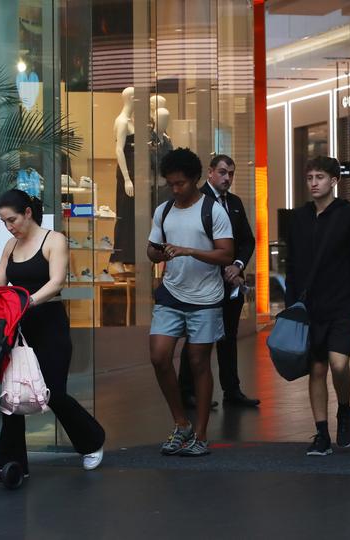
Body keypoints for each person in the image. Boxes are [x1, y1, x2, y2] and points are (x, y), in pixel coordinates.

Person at [0, 189, 106, 475]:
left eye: (12, 220)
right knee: (13, 394)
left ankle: (92, 441)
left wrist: (26, 302)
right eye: (4, 222)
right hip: (18, 326)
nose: (9, 227)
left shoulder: (54, 240)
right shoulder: (10, 246)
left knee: (53, 392)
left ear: (28, 213)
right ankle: (11, 464)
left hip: (49, 323)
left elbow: (56, 283)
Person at [147, 148, 234, 457]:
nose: (175, 188)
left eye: (181, 183)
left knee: (198, 363)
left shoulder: (213, 211)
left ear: (195, 179)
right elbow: (151, 250)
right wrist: (159, 253)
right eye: (171, 183)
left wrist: (189, 251)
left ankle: (200, 433)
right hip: (171, 292)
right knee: (159, 357)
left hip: (206, 298)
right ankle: (180, 422)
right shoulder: (164, 211)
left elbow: (226, 254)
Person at [285, 156, 350, 456]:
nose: (314, 183)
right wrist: (291, 306)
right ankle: (321, 434)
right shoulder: (299, 218)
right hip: (310, 308)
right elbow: (292, 266)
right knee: (317, 369)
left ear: (335, 181)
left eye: (320, 177)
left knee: (339, 364)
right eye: (309, 178)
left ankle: (344, 409)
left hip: (343, 305)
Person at [178, 155, 260, 409]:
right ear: (211, 173)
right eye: (223, 172)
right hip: (203, 282)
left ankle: (231, 391)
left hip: (231, 283)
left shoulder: (234, 203)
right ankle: (187, 391)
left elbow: (247, 240)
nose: (227, 178)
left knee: (229, 336)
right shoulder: (197, 200)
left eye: (231, 174)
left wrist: (237, 266)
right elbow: (192, 243)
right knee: (197, 337)